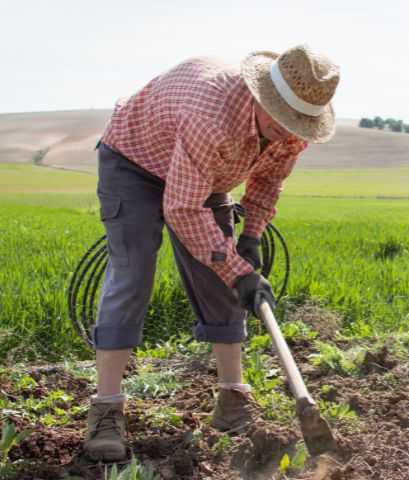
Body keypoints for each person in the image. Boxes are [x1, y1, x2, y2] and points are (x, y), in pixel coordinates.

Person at [83, 45, 340, 461]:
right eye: (282, 118)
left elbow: (267, 183)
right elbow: (183, 209)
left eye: (300, 123)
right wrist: (239, 272)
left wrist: (250, 240)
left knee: (220, 279)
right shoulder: (211, 117)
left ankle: (232, 400)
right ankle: (106, 410)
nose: (290, 130)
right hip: (135, 160)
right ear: (261, 98)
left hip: (205, 170)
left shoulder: (294, 130)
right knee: (133, 274)